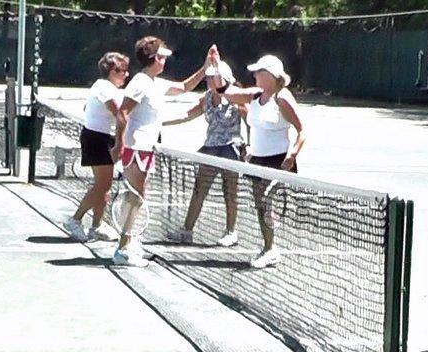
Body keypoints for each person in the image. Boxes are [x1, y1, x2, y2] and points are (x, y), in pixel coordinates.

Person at [109, 36, 212, 267]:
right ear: (155, 58)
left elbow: (185, 87)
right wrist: (119, 145)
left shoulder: (156, 83)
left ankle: (129, 241)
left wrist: (206, 69)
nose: (165, 60)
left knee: (136, 197)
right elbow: (123, 113)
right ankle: (122, 249)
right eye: (163, 56)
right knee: (135, 198)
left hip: (146, 148)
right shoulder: (140, 82)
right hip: (136, 147)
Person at [211, 52, 306, 268]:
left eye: (258, 72)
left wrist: (293, 154)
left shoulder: (282, 98)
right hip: (257, 161)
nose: (254, 75)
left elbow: (303, 130)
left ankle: (270, 249)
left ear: (271, 75)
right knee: (261, 206)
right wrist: (216, 67)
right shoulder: (254, 95)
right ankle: (269, 247)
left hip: (279, 161)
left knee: (264, 202)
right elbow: (225, 91)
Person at [163, 60, 247, 247]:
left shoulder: (235, 95)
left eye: (213, 77)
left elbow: (249, 119)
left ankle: (231, 231)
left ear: (224, 78)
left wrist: (249, 147)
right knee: (199, 190)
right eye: (208, 77)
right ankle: (187, 231)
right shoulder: (207, 97)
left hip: (231, 148)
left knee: (230, 191)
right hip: (210, 148)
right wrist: (160, 122)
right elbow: (187, 115)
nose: (210, 80)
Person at [63, 52, 130, 242]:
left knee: (104, 186)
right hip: (95, 139)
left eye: (126, 70)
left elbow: (88, 109)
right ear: (111, 71)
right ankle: (74, 220)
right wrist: (120, 143)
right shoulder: (103, 86)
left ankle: (97, 226)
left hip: (102, 137)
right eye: (121, 70)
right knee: (102, 185)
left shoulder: (108, 88)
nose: (126, 74)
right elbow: (120, 114)